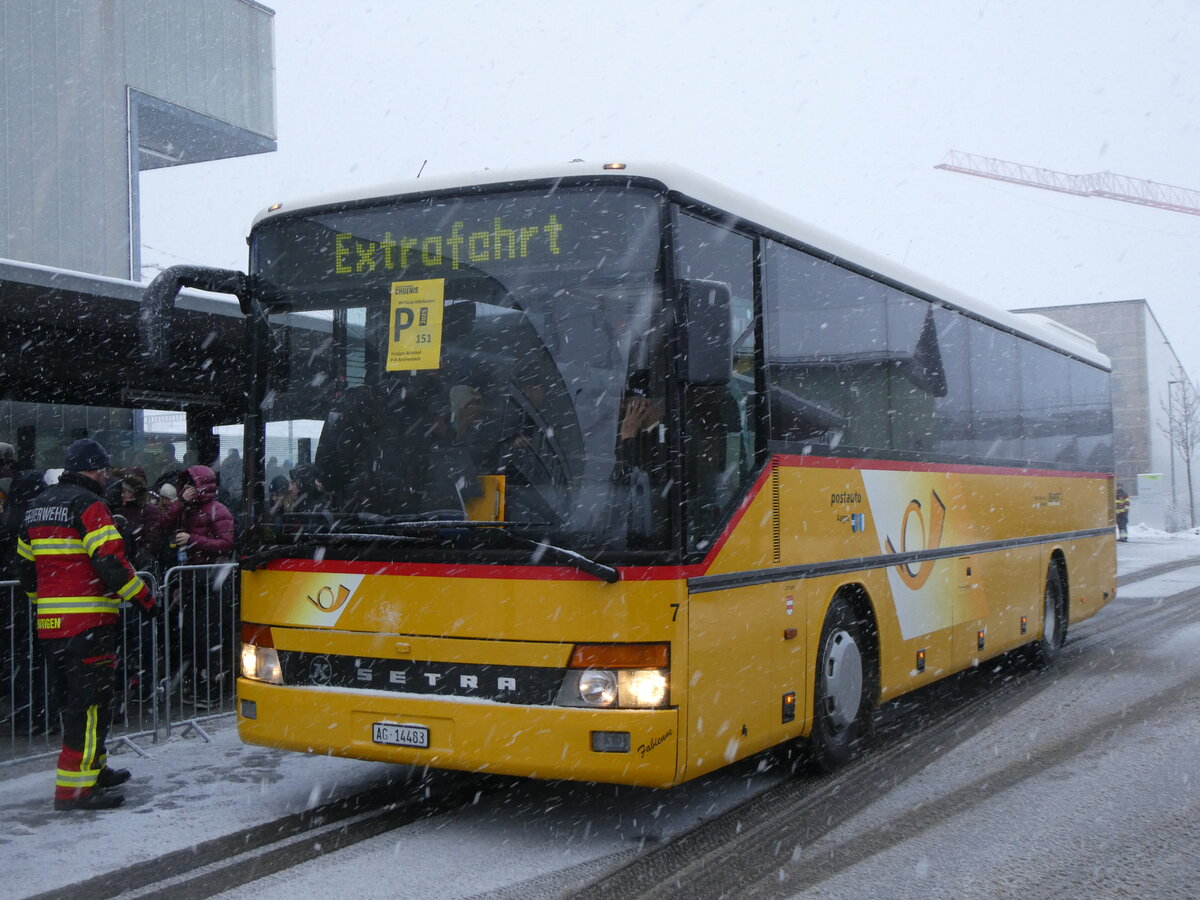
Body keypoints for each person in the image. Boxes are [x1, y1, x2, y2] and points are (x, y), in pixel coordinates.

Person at [16, 439, 156, 811]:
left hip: (53, 627)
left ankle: (94, 769)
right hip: (89, 624)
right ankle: (75, 790)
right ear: (94, 469)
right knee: (91, 705)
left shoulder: (36, 507)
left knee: (78, 704)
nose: (107, 476)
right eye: (104, 469)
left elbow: (24, 567)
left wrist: (45, 604)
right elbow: (110, 561)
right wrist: (145, 599)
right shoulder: (89, 504)